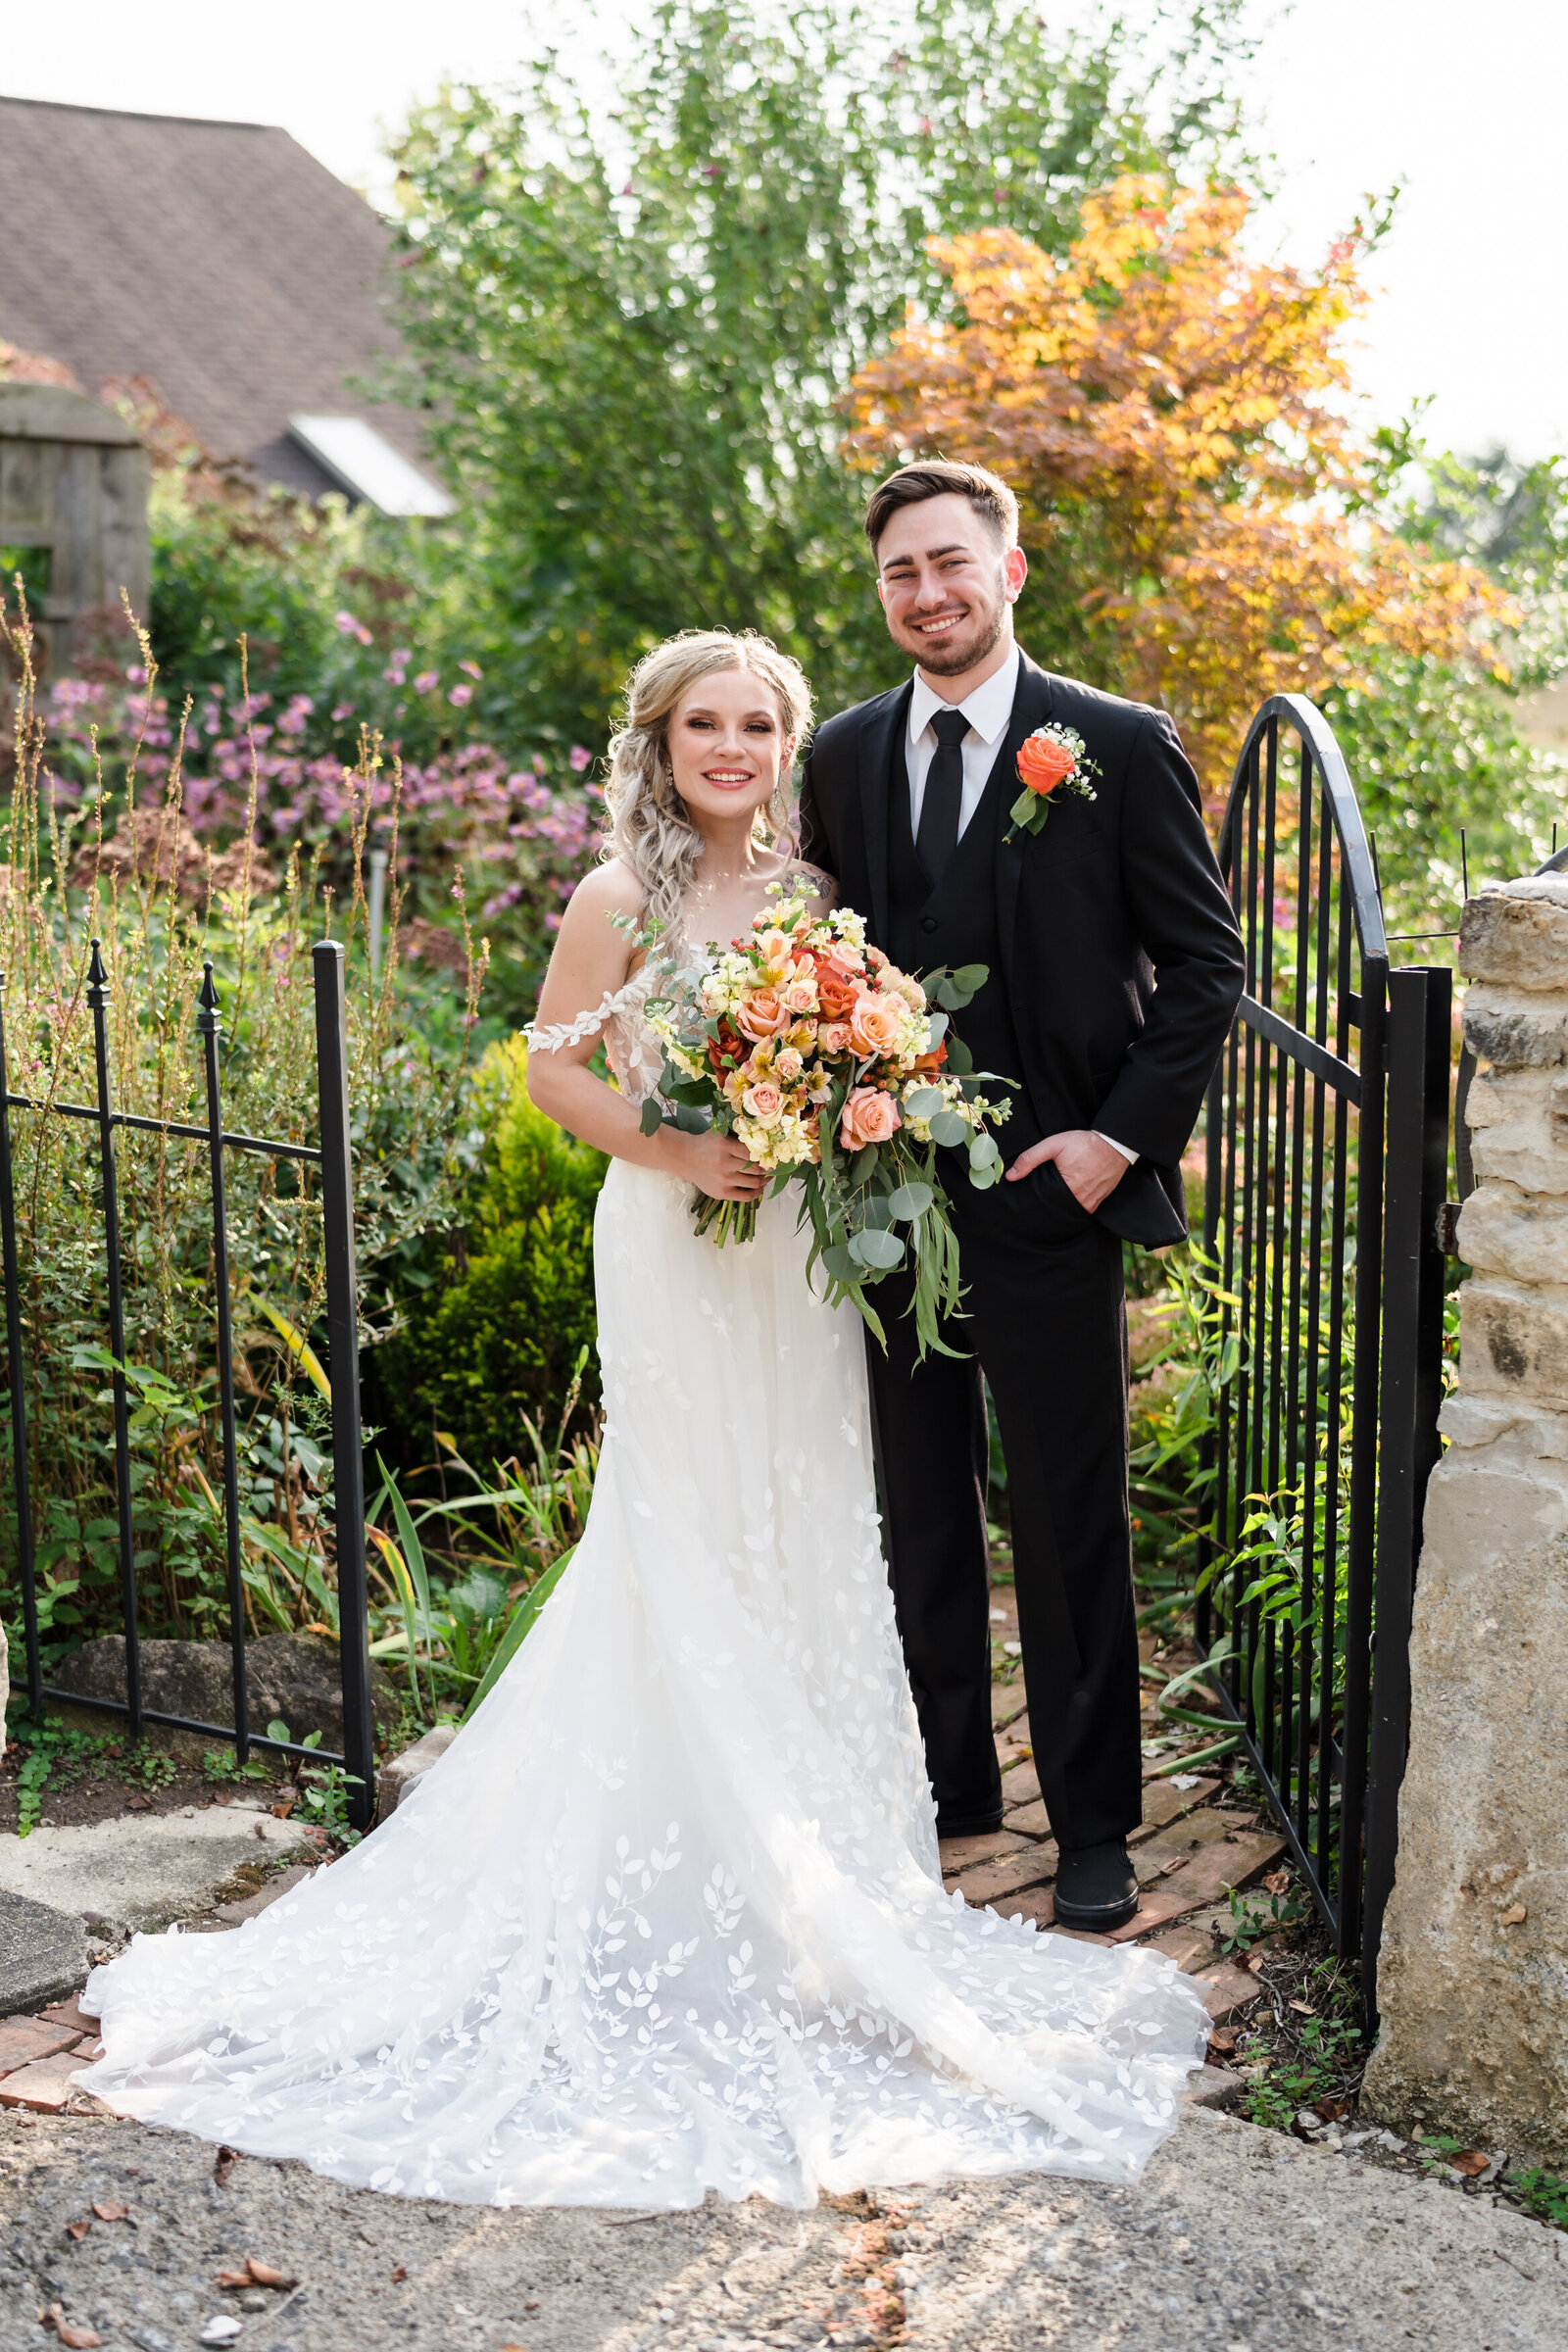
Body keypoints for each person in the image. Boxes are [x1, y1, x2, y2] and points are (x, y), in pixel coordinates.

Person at [75, 629, 1206, 2211]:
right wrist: (676, 1153)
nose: (732, 749)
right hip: (676, 1242)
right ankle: (683, 1836)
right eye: (704, 727)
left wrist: (836, 1108)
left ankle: (803, 1862)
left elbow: (871, 1049)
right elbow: (548, 1069)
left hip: (798, 1259)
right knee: (678, 1521)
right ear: (659, 745)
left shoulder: (820, 901)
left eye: (757, 725)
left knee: (806, 1518)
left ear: (785, 744)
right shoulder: (616, 896)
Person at [798, 462, 1246, 1933]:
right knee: (918, 1507)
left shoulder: (1111, 744)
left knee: (1066, 1520)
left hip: (1054, 1193)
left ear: (1008, 569)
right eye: (898, 575)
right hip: (887, 1196)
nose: (926, 594)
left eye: (949, 564)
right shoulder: (849, 754)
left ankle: (1094, 1826)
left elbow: (1205, 968)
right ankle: (949, 1780)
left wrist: (1118, 1143)